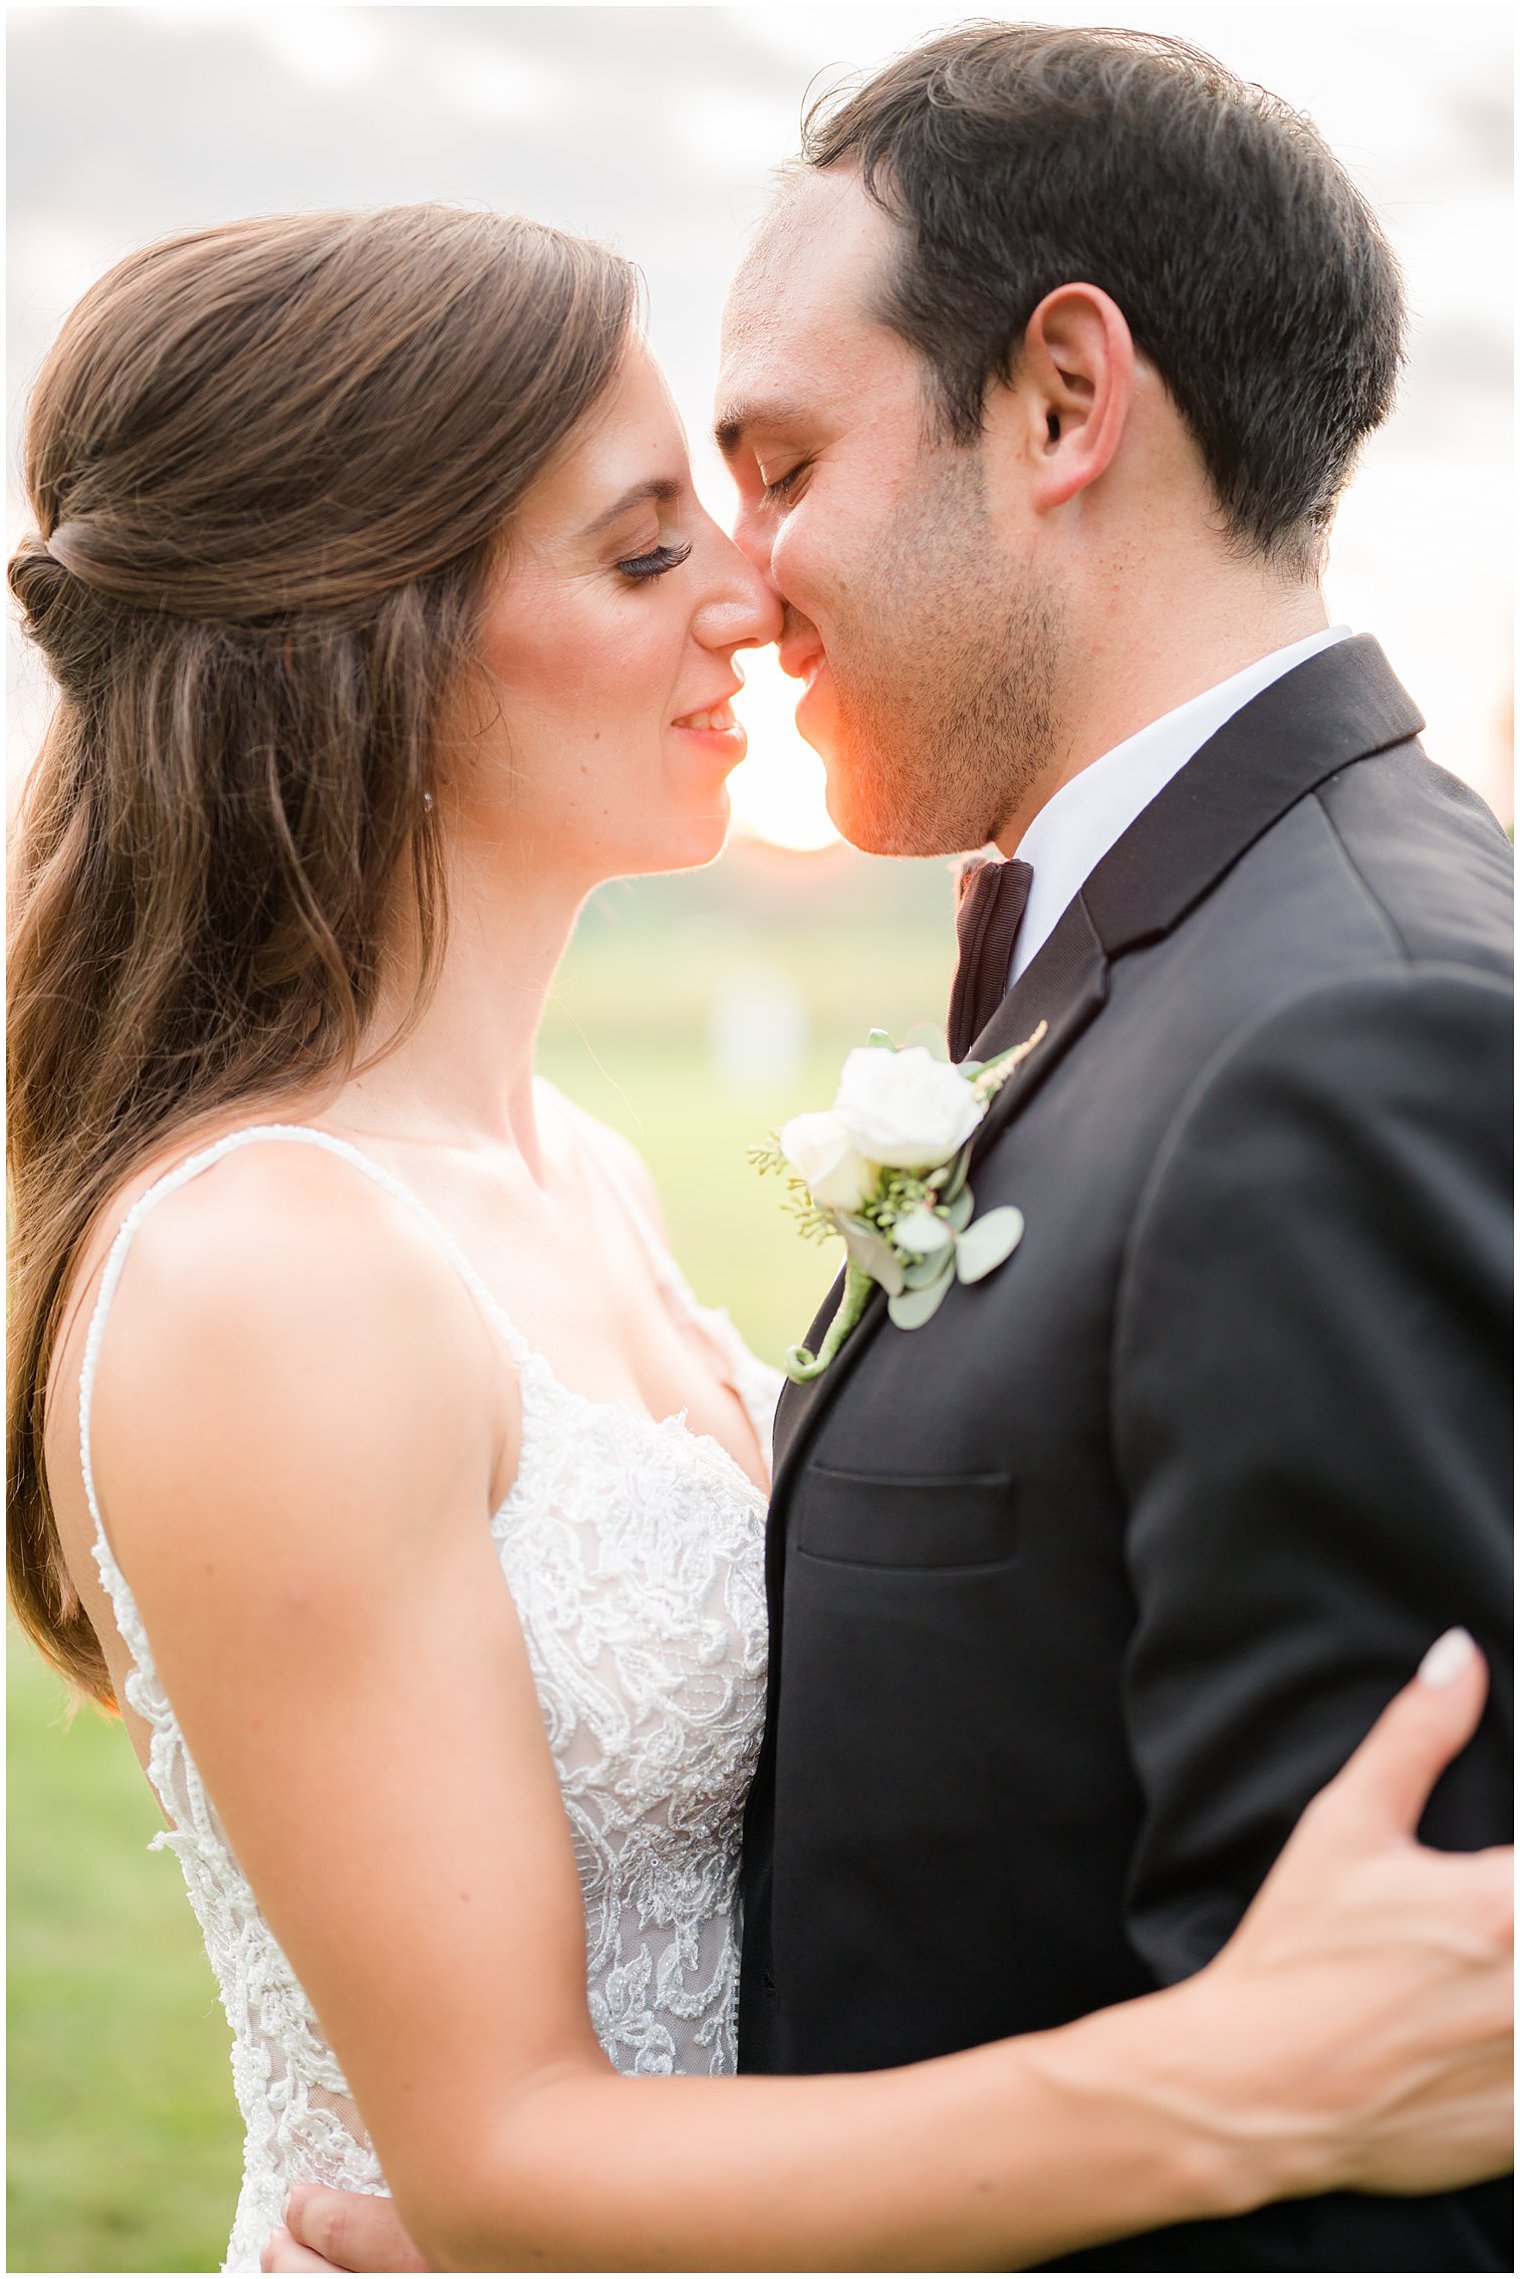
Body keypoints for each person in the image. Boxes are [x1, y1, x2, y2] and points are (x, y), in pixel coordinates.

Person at [4, 193, 1506, 2279]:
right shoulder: (269, 1275)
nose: (756, 595)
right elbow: (499, 2166)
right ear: (349, 638)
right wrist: (1249, 2080)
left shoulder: (582, 1170)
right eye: (644, 550)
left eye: (737, 503)